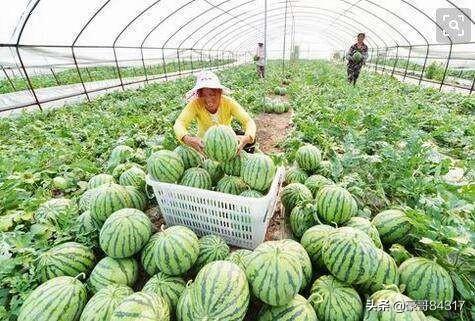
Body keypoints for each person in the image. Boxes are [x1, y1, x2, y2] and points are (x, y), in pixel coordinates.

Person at [174, 71, 256, 154]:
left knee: (251, 140)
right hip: (204, 145)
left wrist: (247, 137)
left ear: (219, 92)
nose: (208, 99)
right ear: (199, 95)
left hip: (227, 142)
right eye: (203, 95)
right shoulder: (195, 104)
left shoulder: (228, 103)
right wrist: (187, 138)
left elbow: (248, 121)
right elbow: (180, 122)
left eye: (212, 94)